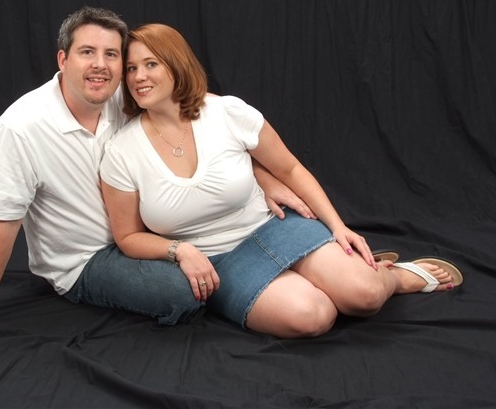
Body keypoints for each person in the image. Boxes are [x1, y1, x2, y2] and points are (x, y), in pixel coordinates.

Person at [0, 7, 312, 340]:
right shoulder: (21, 128)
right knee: (181, 293)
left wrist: (261, 174)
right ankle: (247, 289)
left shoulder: (126, 93)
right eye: (87, 52)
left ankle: (259, 274)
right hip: (88, 259)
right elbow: (4, 223)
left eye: (111, 55)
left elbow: (207, 119)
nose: (100, 65)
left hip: (148, 232)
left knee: (204, 255)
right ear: (63, 59)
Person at [99, 23, 464, 338]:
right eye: (131, 69)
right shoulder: (121, 151)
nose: (138, 77)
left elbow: (289, 170)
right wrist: (180, 251)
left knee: (364, 295)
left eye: (151, 64)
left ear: (177, 65)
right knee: (313, 316)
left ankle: (393, 277)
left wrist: (339, 227)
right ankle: (333, 280)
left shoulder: (227, 112)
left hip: (274, 226)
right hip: (217, 262)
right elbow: (128, 237)